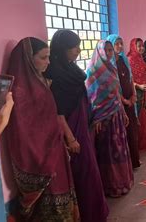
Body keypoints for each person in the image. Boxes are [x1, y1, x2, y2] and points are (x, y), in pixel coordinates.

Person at [5, 37, 79, 220]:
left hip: (55, 151)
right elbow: (23, 131)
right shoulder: (20, 91)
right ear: (29, 59)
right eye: (43, 58)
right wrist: (47, 153)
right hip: (41, 159)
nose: (48, 62)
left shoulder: (39, 82)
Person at [45, 30, 109, 221]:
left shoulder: (70, 70)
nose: (78, 51)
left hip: (83, 125)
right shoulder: (56, 75)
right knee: (83, 172)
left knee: (90, 170)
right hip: (72, 130)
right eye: (73, 47)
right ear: (62, 49)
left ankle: (95, 212)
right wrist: (70, 138)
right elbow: (58, 111)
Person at [86, 40, 134, 197]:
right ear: (99, 51)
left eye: (110, 50)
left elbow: (115, 94)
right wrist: (97, 118)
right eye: (106, 50)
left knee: (119, 149)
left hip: (116, 116)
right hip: (103, 120)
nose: (108, 53)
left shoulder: (112, 68)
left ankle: (122, 182)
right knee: (107, 152)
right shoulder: (93, 71)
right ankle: (110, 186)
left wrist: (124, 112)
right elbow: (91, 97)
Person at [107, 34, 141, 169]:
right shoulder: (109, 64)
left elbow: (130, 78)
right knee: (122, 133)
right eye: (116, 44)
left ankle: (134, 160)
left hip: (130, 100)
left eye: (121, 43)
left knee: (132, 131)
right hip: (119, 103)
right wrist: (124, 101)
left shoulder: (123, 60)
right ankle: (125, 163)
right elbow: (113, 87)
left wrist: (133, 95)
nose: (120, 46)